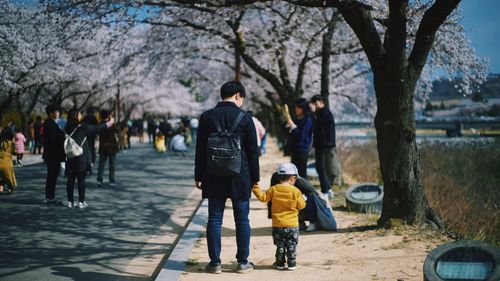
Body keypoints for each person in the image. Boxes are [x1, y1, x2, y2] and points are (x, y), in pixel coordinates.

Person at [195, 81, 260, 274]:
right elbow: (252, 151)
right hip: (240, 175)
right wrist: (255, 178)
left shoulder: (206, 117)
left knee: (214, 219)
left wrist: (198, 176)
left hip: (213, 174)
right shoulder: (245, 117)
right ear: (238, 95)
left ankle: (215, 263)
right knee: (242, 219)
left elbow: (200, 150)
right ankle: (242, 262)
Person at [252, 163, 306, 270]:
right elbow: (301, 206)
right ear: (292, 178)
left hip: (278, 225)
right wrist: (304, 199)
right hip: (292, 225)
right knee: (291, 244)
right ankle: (292, 264)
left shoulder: (274, 189)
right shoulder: (296, 191)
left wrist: (255, 187)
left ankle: (280, 263)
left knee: (280, 244)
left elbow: (263, 197)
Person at [64, 108, 114, 208]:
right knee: (81, 179)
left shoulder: (66, 127)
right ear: (76, 115)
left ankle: (70, 201)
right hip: (80, 156)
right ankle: (81, 202)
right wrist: (109, 123)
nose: (80, 115)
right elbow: (97, 129)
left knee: (70, 178)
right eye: (79, 114)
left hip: (70, 155)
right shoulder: (82, 127)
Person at [268, 172, 337, 232]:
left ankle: (313, 222)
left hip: (309, 206)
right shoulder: (275, 182)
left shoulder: (300, 183)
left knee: (308, 198)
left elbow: (311, 196)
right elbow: (271, 200)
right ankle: (299, 223)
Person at [310, 95, 342, 198]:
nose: (314, 106)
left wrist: (313, 113)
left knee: (321, 167)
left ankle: (326, 189)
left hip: (324, 144)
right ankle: (326, 188)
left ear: (321, 101)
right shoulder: (320, 113)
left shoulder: (325, 113)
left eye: (315, 103)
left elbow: (317, 125)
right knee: (320, 167)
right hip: (321, 144)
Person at [42, 105, 66, 204]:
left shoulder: (51, 123)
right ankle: (50, 197)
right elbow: (53, 139)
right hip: (53, 154)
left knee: (52, 175)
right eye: (56, 111)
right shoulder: (50, 124)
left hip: (52, 154)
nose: (58, 113)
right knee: (52, 175)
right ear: (51, 113)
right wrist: (62, 138)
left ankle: (50, 196)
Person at [285, 98, 313, 178]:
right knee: (294, 173)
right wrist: (288, 127)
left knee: (301, 174)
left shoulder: (307, 120)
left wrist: (292, 125)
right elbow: (290, 134)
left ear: (303, 108)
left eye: (298, 107)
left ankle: (303, 190)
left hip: (302, 149)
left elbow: (300, 136)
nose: (296, 109)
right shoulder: (297, 120)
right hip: (295, 149)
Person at [96, 110, 119, 187]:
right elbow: (117, 130)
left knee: (101, 164)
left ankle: (99, 180)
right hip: (111, 147)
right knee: (112, 164)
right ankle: (111, 180)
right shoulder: (111, 125)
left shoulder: (100, 125)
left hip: (103, 146)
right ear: (108, 116)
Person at [0, 127, 17, 194]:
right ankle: (10, 188)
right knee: (8, 175)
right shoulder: (11, 143)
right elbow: (13, 151)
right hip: (7, 161)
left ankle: (1, 187)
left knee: (2, 175)